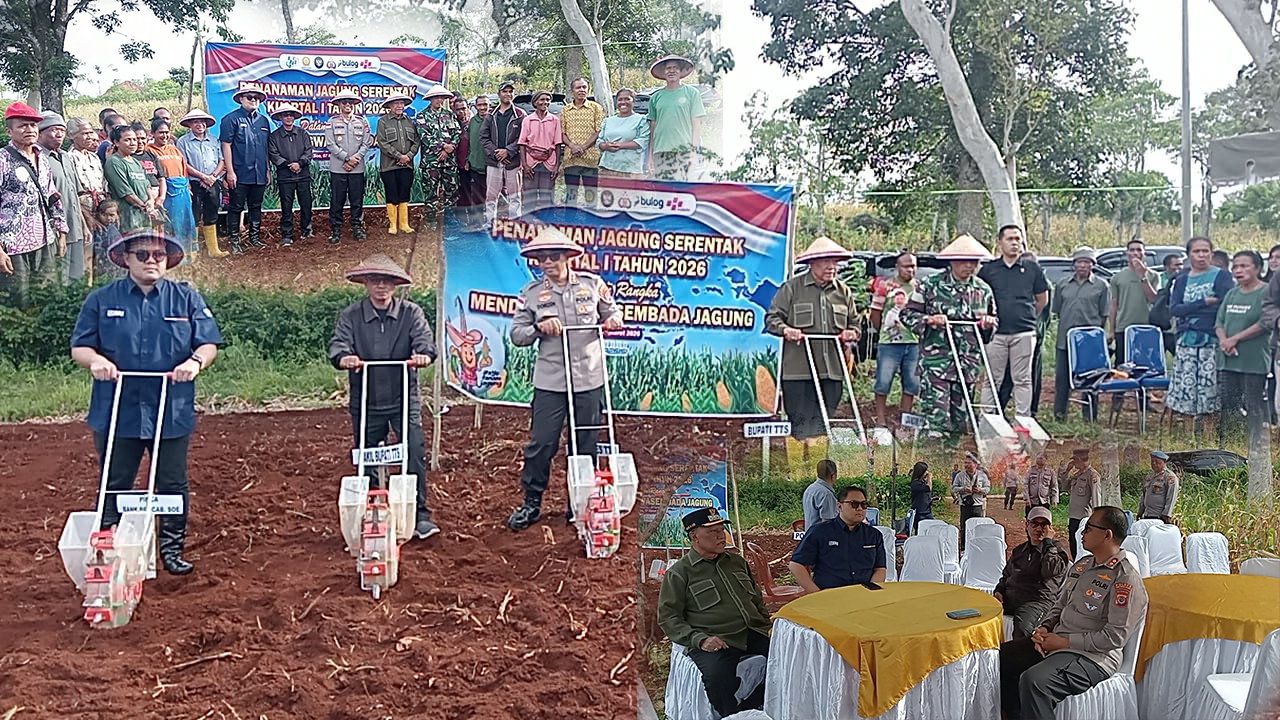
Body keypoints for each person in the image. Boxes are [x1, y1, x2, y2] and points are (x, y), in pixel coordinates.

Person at [70, 229, 224, 575]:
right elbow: (80, 346)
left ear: (168, 261)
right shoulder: (101, 300)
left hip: (171, 407)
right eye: (143, 255)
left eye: (158, 255)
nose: (151, 260)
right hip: (117, 407)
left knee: (172, 481)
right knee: (115, 479)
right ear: (126, 259)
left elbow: (208, 343)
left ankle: (171, 550)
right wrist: (95, 361)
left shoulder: (186, 299)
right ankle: (108, 549)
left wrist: (194, 362)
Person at [507, 227, 623, 530]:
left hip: (588, 378)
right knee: (542, 443)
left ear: (568, 257)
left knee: (584, 443)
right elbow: (517, 335)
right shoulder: (531, 294)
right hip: (551, 382)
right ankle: (531, 503)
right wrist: (538, 328)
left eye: (553, 256)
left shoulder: (592, 284)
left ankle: (580, 502)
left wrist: (612, 319)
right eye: (541, 258)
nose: (547, 262)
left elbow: (613, 313)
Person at [328, 254, 439, 540]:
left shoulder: (411, 313)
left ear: (395, 285)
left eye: (387, 282)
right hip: (367, 398)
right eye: (375, 281)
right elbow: (338, 345)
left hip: (403, 397)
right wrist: (344, 358)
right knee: (367, 457)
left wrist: (423, 355)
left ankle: (419, 515)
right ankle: (371, 513)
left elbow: (425, 342)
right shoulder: (351, 316)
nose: (381, 287)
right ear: (366, 283)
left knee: (413, 452)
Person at [999, 506, 1147, 720]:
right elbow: (1059, 605)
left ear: (1107, 535)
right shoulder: (1081, 566)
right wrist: (1044, 628)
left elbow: (1114, 637)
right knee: (1001, 658)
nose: (1082, 533)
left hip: (1092, 657)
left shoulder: (1125, 578)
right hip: (1058, 641)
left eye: (1088, 528)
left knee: (1035, 682)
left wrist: (1063, 643)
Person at [658, 507, 771, 719]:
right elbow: (668, 617)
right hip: (715, 639)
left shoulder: (736, 562)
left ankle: (765, 708)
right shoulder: (680, 572)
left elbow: (756, 600)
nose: (721, 536)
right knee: (719, 678)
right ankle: (733, 715)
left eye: (722, 529)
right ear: (694, 537)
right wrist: (699, 640)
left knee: (785, 658)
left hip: (752, 631)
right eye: (713, 531)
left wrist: (767, 626)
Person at [764, 236, 860, 455]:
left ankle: (818, 471)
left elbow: (856, 324)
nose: (831, 267)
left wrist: (851, 333)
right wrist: (786, 330)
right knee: (799, 421)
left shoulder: (843, 292)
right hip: (799, 370)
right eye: (825, 261)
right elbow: (772, 319)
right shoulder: (792, 288)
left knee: (823, 422)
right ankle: (798, 473)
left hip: (832, 370)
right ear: (811, 263)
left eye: (834, 262)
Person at [901, 234, 997, 443]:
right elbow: (907, 315)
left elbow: (989, 330)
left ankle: (951, 464)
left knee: (959, 421)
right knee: (936, 419)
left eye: (974, 262)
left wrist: (988, 324)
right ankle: (930, 467)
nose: (969, 266)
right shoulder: (930, 285)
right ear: (952, 261)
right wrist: (929, 320)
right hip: (937, 364)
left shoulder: (983, 290)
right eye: (964, 261)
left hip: (967, 366)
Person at [978, 225, 1049, 418]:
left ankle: (1023, 420)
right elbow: (978, 298)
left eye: (1018, 239)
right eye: (1010, 239)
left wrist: (1026, 316)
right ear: (1000, 242)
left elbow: (1042, 299)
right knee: (993, 379)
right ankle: (987, 420)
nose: (1015, 243)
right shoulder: (989, 270)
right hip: (996, 333)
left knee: (1023, 379)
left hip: (1024, 332)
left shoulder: (1032, 268)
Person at [0, 102, 66, 307]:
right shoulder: (2, 159)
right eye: (23, 125)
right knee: (17, 301)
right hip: (12, 245)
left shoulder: (42, 157)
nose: (29, 129)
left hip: (44, 239)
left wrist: (62, 231)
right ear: (9, 131)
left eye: (33, 125)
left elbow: (52, 195)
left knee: (46, 296)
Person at [1168, 237, 1234, 437]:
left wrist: (1194, 311)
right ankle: (1188, 437)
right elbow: (1175, 309)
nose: (1202, 255)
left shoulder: (1222, 276)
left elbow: (1224, 305)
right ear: (1189, 255)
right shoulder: (1181, 280)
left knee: (1209, 387)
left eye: (1206, 251)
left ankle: (1209, 437)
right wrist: (1204, 302)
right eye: (1197, 251)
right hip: (1186, 340)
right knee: (1186, 387)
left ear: (1212, 254)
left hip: (1211, 340)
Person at [1216, 250, 1269, 445]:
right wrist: (1224, 340)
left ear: (1257, 268)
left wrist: (1234, 339)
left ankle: (1254, 444)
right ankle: (1229, 443)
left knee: (1253, 403)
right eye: (1235, 266)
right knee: (1229, 403)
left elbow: (1265, 323)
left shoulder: (1266, 292)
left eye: (1244, 266)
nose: (1239, 270)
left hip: (1253, 359)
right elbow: (1219, 321)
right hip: (1228, 358)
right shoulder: (1232, 293)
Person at [1051, 247, 1110, 422]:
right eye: (1079, 262)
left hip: (1089, 343)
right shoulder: (1062, 284)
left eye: (1087, 262)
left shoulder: (1101, 285)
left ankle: (1089, 416)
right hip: (1065, 339)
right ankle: (1059, 415)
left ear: (1093, 265)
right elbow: (1058, 310)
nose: (1082, 265)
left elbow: (1103, 314)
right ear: (1074, 264)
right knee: (1062, 379)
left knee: (1090, 380)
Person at [790, 485, 887, 592]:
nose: (859, 508)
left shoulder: (874, 535)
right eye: (854, 504)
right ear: (839, 506)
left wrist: (871, 592)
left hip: (864, 595)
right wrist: (816, 594)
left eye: (864, 505)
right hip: (830, 595)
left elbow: (880, 569)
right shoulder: (820, 532)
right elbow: (796, 564)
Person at [994, 507, 1069, 639]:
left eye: (1043, 525)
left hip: (1038, 601)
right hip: (1011, 599)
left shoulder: (1056, 549)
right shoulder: (1020, 550)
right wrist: (999, 591)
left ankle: (1021, 659)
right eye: (1034, 524)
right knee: (981, 615)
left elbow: (1049, 571)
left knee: (1023, 627)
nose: (1038, 529)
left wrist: (1047, 543)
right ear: (1027, 525)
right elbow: (1006, 576)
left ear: (1050, 528)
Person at [1107, 238, 1160, 414]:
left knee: (1144, 365)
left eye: (1139, 250)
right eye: (1132, 250)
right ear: (1126, 253)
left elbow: (1153, 299)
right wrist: (1112, 329)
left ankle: (1144, 400)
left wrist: (1142, 275)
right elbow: (1114, 304)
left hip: (1145, 328)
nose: (1136, 253)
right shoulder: (1117, 277)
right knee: (1121, 364)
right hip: (1124, 327)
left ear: (1144, 253)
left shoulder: (1153, 275)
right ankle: (1117, 399)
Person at [869, 250, 920, 430]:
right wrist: (883, 331)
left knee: (912, 382)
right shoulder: (885, 286)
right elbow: (875, 314)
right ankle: (881, 420)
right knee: (884, 381)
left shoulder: (920, 287)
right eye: (906, 266)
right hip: (889, 343)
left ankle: (905, 420)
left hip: (913, 342)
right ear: (897, 267)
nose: (910, 270)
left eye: (913, 266)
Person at [219, 87, 272, 253]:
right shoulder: (231, 119)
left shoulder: (264, 121)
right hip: (240, 173)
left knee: (256, 206)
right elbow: (226, 145)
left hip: (259, 173)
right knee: (236, 207)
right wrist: (230, 171)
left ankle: (254, 238)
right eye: (250, 97)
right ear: (241, 99)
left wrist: (268, 170)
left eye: (257, 98)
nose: (254, 100)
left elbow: (266, 149)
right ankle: (235, 242)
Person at [37, 112, 87, 284]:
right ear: (40, 133)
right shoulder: (37, 158)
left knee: (77, 277)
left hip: (75, 227)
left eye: (62, 130)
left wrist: (84, 225)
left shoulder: (66, 157)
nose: (58, 134)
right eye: (53, 130)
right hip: (54, 231)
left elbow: (75, 196)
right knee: (59, 278)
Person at [175, 108, 229, 258]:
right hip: (195, 183)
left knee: (212, 214)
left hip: (213, 182)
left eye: (202, 122)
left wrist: (212, 176)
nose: (200, 125)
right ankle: (192, 250)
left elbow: (221, 160)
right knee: (194, 215)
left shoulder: (214, 140)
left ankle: (213, 249)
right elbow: (183, 164)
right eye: (195, 122)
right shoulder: (183, 142)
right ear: (190, 125)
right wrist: (202, 177)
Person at [646, 54, 706, 181]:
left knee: (683, 193)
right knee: (663, 192)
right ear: (663, 72)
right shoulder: (655, 98)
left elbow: (696, 126)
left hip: (684, 151)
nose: (671, 71)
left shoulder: (692, 94)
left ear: (681, 71)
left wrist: (694, 153)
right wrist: (650, 156)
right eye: (668, 68)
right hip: (661, 152)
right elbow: (653, 129)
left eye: (675, 68)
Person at [325, 89, 373, 245]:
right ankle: (336, 229)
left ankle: (357, 227)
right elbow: (330, 144)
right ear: (338, 104)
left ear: (354, 105)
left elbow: (367, 143)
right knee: (337, 200)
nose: (347, 105)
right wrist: (346, 158)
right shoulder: (331, 122)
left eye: (350, 102)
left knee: (357, 199)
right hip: (338, 168)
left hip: (357, 168)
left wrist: (356, 158)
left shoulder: (362, 122)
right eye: (344, 102)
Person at [147, 117, 197, 262]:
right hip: (165, 193)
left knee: (186, 221)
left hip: (182, 191)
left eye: (167, 132)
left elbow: (183, 168)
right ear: (153, 134)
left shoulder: (175, 149)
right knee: (170, 224)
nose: (164, 136)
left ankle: (186, 255)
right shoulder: (149, 150)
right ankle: (169, 257)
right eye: (161, 132)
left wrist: (188, 186)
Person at [266, 103, 314, 248]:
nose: (288, 117)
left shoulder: (303, 133)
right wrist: (289, 165)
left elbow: (309, 151)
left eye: (291, 115)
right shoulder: (274, 136)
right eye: (285, 115)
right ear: (280, 117)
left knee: (306, 204)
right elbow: (273, 154)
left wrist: (299, 163)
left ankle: (307, 231)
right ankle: (287, 235)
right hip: (285, 177)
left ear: (294, 117)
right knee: (286, 206)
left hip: (303, 175)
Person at [374, 93, 420, 237]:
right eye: (396, 103)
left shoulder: (410, 122)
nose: (399, 106)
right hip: (389, 166)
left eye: (401, 103)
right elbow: (382, 142)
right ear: (389, 106)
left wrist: (409, 156)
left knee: (405, 193)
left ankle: (404, 224)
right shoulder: (383, 122)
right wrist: (399, 156)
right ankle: (393, 225)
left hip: (407, 166)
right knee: (391, 193)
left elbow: (416, 141)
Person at [67, 117, 109, 269]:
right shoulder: (69, 158)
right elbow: (72, 192)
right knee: (87, 252)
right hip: (83, 213)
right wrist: (88, 217)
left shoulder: (94, 157)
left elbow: (104, 185)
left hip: (101, 210)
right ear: (72, 135)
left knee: (104, 253)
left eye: (91, 132)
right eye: (85, 133)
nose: (90, 137)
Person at [480, 82, 526, 223]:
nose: (508, 94)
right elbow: (483, 136)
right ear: (499, 94)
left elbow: (523, 137)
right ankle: (489, 223)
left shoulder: (520, 114)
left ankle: (515, 224)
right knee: (491, 195)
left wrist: (509, 151)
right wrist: (496, 153)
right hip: (494, 162)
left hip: (513, 162)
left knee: (515, 195)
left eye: (510, 91)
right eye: (504, 91)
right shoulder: (491, 115)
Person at [416, 84, 461, 225]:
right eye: (436, 98)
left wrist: (450, 149)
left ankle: (450, 219)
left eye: (441, 98)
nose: (439, 100)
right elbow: (425, 136)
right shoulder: (422, 116)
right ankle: (431, 220)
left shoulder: (450, 115)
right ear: (430, 99)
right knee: (431, 192)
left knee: (452, 191)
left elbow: (458, 133)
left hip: (450, 162)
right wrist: (442, 148)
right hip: (431, 162)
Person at [104, 124, 159, 235]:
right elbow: (126, 193)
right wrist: (144, 207)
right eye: (127, 140)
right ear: (116, 142)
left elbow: (147, 185)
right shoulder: (114, 162)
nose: (133, 143)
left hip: (145, 218)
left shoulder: (135, 162)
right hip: (128, 220)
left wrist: (151, 201)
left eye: (134, 139)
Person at [560, 77, 605, 203]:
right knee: (571, 193)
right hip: (571, 159)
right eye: (578, 87)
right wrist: (572, 146)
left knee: (591, 194)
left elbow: (598, 131)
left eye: (584, 87)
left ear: (588, 89)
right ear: (572, 91)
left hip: (590, 158)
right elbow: (562, 133)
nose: (582, 90)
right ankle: (570, 221)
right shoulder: (565, 110)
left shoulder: (596, 108)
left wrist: (583, 147)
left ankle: (591, 221)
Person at [518, 91, 562, 213]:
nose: (545, 102)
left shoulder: (554, 120)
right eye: (542, 100)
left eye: (547, 99)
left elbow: (558, 143)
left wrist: (557, 165)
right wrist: (525, 165)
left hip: (549, 162)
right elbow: (522, 143)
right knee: (529, 197)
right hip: (531, 162)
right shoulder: (528, 120)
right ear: (535, 103)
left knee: (547, 197)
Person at [597, 87, 649, 179]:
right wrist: (604, 146)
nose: (623, 102)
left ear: (634, 101)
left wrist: (620, 145)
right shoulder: (608, 121)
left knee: (632, 194)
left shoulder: (642, 120)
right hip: (608, 169)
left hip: (631, 170)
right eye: (620, 99)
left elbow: (643, 141)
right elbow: (599, 140)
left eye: (627, 99)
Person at [1061, 448, 1101, 558]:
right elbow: (1065, 486)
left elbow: (1096, 497)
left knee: (1083, 545)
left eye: (1073, 460)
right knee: (1073, 543)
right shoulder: (1077, 474)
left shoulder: (1092, 475)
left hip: (1084, 518)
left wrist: (1096, 517)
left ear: (1078, 459)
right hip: (1073, 516)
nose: (1073, 463)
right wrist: (1067, 472)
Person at [451, 93, 482, 225]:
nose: (461, 112)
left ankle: (476, 220)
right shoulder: (451, 123)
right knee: (461, 192)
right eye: (458, 109)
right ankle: (463, 220)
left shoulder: (474, 122)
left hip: (473, 164)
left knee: (475, 192)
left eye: (463, 108)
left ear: (468, 107)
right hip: (457, 164)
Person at [951, 453, 990, 547]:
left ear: (975, 464)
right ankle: (964, 547)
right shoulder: (960, 475)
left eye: (969, 463)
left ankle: (978, 546)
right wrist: (963, 489)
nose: (966, 465)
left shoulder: (982, 475)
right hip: (965, 506)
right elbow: (953, 488)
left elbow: (988, 488)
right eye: (965, 463)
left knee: (978, 527)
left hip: (978, 505)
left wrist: (981, 490)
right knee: (964, 527)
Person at [462, 94, 489, 226]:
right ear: (475, 107)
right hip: (475, 164)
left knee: (490, 195)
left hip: (490, 165)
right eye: (480, 105)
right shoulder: (473, 121)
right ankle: (476, 222)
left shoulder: (493, 120)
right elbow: (471, 143)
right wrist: (468, 159)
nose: (482, 108)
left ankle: (489, 220)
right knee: (476, 194)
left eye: (485, 105)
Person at [1137, 450, 1178, 523]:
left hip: (1160, 516)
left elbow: (1171, 496)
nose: (1154, 463)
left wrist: (1166, 514)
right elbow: (1144, 495)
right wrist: (1140, 511)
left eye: (1157, 461)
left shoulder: (1169, 477)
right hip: (1148, 514)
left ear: (1164, 462)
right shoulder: (1149, 477)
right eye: (1152, 461)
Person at [801, 458, 839, 531]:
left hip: (810, 535)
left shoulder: (810, 488)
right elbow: (828, 523)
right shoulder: (826, 494)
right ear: (833, 476)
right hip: (821, 539)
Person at [91, 198, 124, 281]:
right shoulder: (99, 230)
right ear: (98, 214)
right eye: (104, 215)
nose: (108, 218)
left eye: (111, 215)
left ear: (117, 215)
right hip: (103, 263)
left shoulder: (115, 228)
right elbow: (97, 247)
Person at [909, 461, 933, 532]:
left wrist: (931, 500)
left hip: (928, 511)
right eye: (925, 471)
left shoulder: (923, 482)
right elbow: (928, 488)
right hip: (920, 512)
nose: (927, 473)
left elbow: (925, 493)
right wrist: (930, 478)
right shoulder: (915, 483)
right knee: (920, 531)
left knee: (931, 530)